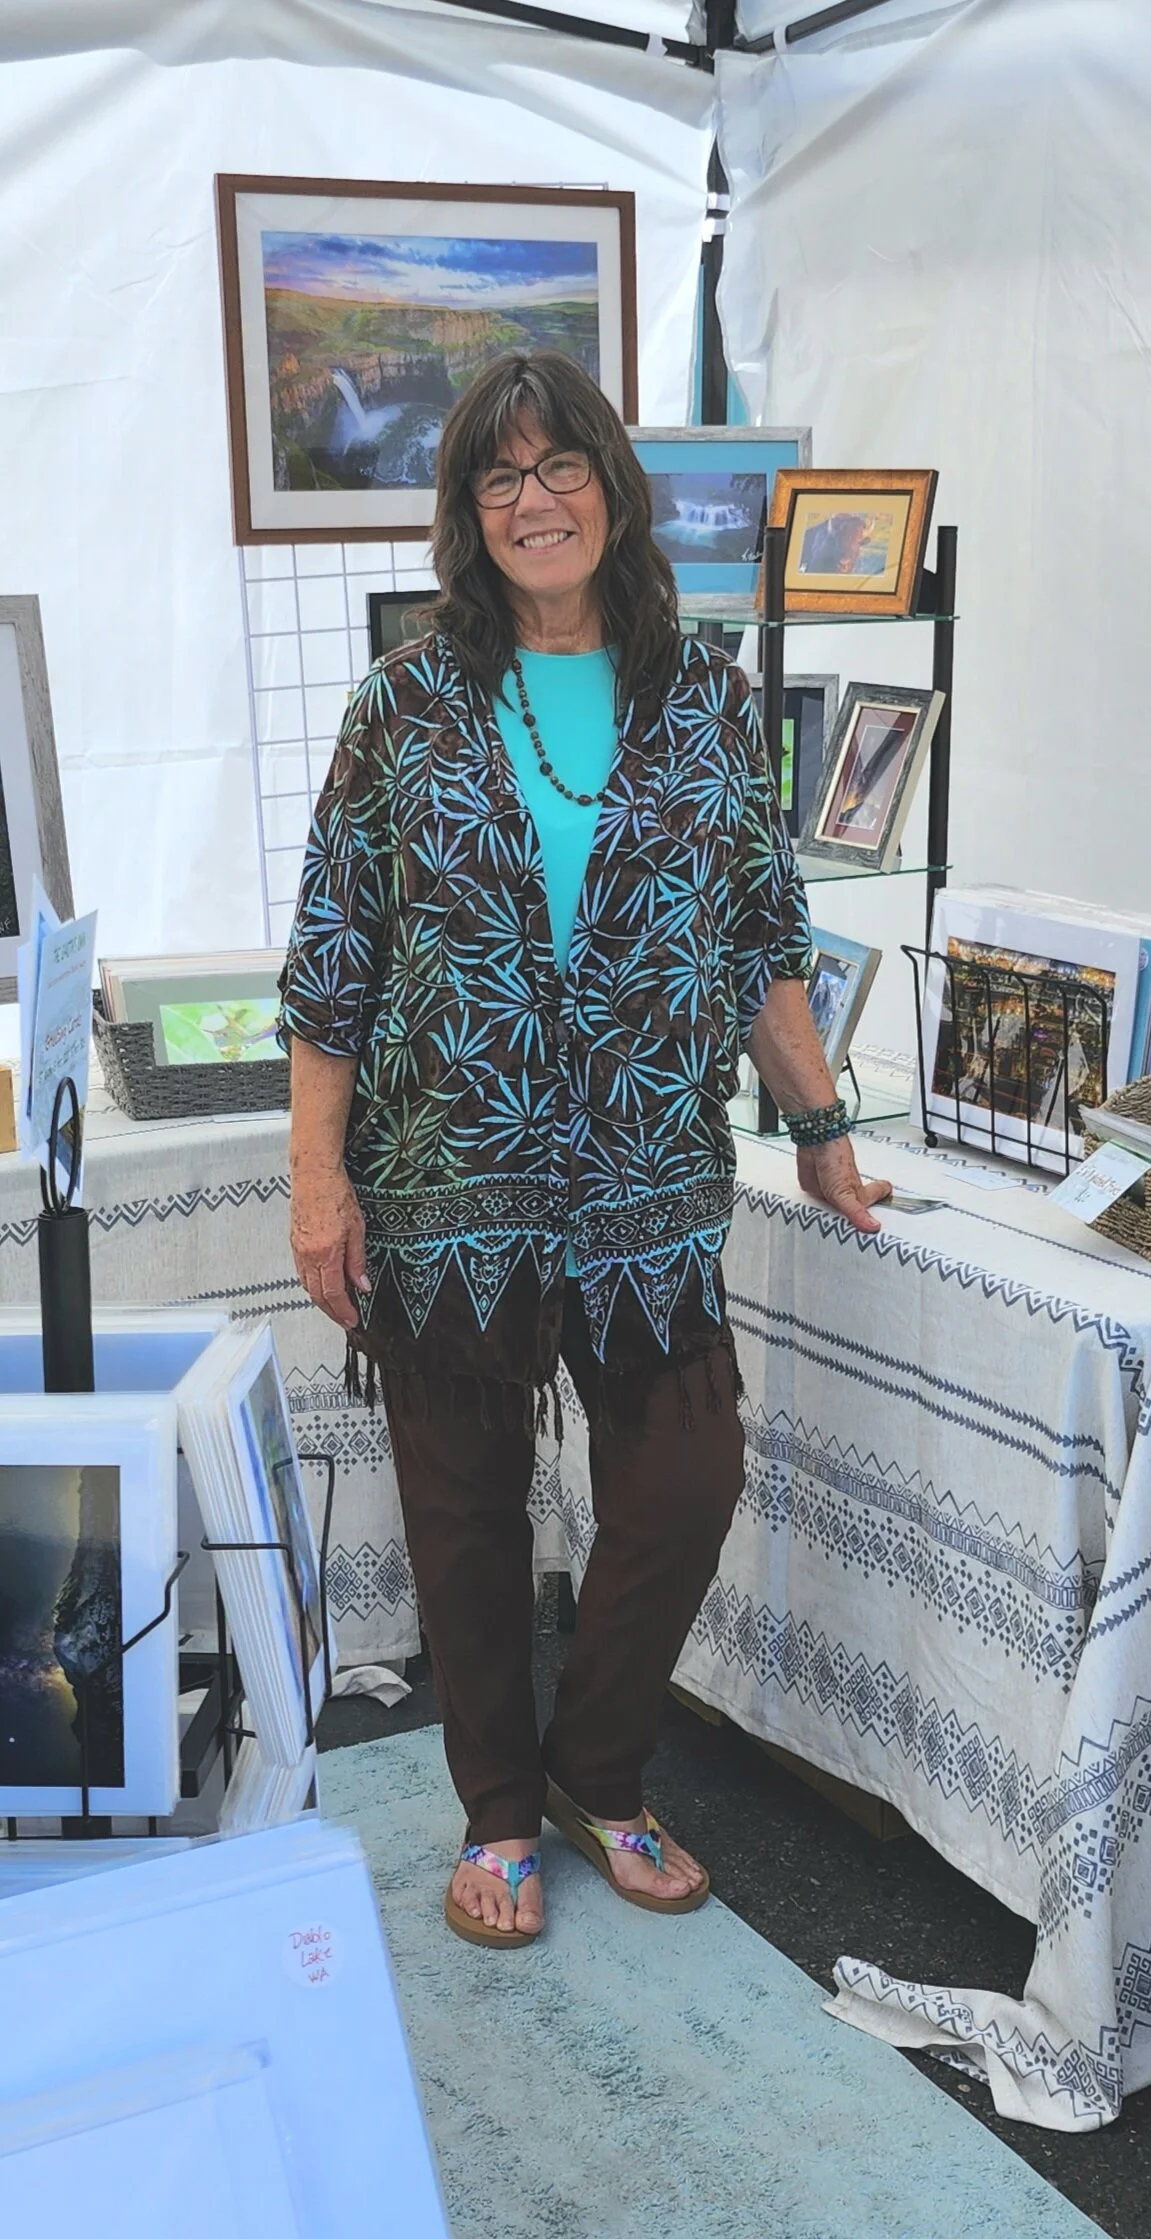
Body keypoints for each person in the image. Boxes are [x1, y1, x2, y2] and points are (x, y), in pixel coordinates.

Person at [281, 351, 890, 1949]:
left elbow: (762, 938)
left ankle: (595, 1770)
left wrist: (820, 1130)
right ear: (465, 517)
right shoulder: (402, 706)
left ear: (614, 493)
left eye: (560, 471)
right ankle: (497, 1808)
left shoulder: (706, 697)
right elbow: (333, 964)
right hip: (446, 1185)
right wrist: (315, 1176)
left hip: (647, 1185)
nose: (533, 501)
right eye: (500, 478)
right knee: (465, 1508)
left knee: (687, 1482)